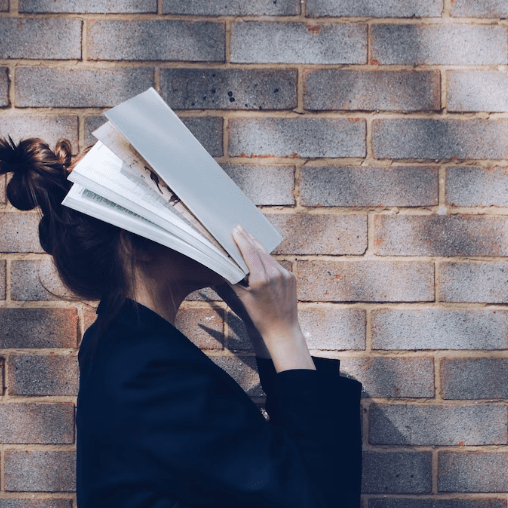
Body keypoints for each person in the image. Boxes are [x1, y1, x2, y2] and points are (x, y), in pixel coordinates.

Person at [0, 136, 363, 507]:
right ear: (135, 243)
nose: (207, 218)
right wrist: (284, 331)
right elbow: (318, 497)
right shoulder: (147, 373)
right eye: (180, 204)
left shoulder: (123, 346)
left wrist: (261, 329)